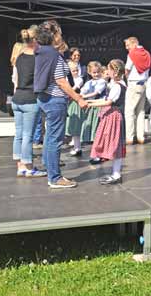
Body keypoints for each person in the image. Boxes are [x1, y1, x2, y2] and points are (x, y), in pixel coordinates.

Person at [34, 20, 88, 189]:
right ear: (54, 36)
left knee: (50, 138)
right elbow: (61, 81)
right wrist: (78, 98)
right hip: (54, 100)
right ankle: (55, 177)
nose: (61, 37)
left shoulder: (40, 52)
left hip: (44, 98)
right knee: (54, 139)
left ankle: (51, 170)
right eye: (59, 33)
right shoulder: (53, 55)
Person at [12, 25, 47, 177]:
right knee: (28, 135)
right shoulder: (37, 58)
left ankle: (20, 167)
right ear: (36, 40)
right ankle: (29, 167)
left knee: (19, 134)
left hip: (17, 98)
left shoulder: (19, 57)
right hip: (30, 100)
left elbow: (17, 80)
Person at [87, 59, 127, 185]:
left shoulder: (117, 86)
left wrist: (89, 104)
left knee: (115, 145)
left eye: (109, 69)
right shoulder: (115, 84)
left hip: (114, 117)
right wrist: (90, 102)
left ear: (114, 72)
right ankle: (115, 173)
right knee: (113, 144)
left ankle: (116, 174)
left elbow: (108, 102)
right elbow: (106, 100)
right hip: (112, 115)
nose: (107, 71)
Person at [124, 37, 151, 145]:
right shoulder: (147, 53)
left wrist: (126, 79)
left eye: (128, 45)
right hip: (144, 83)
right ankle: (141, 137)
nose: (127, 48)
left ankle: (130, 137)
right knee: (140, 111)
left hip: (134, 83)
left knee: (129, 111)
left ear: (134, 43)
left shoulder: (132, 54)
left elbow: (127, 69)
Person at [65, 61, 85, 156]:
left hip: (74, 104)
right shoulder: (66, 79)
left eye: (77, 70)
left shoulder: (79, 79)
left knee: (75, 126)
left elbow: (73, 90)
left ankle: (77, 148)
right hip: (67, 104)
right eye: (73, 71)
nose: (76, 72)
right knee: (70, 126)